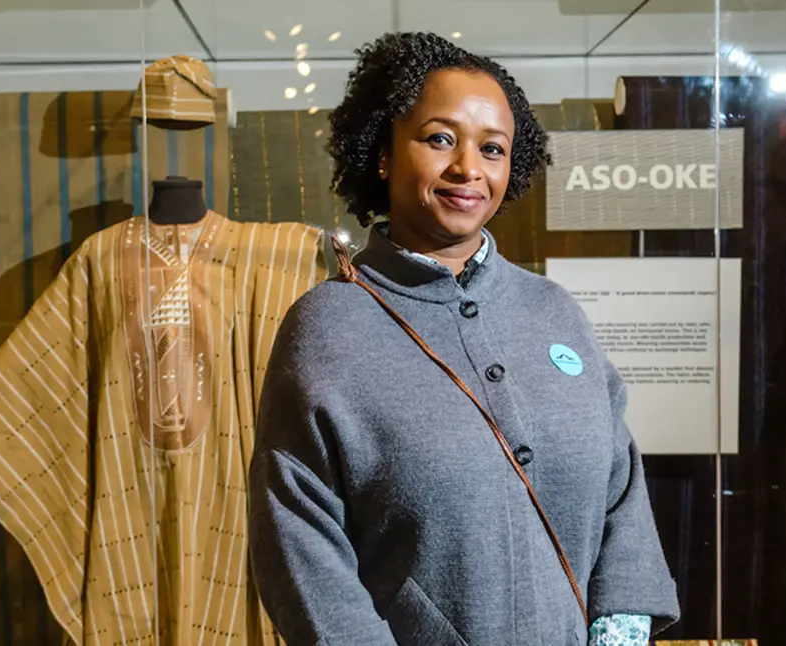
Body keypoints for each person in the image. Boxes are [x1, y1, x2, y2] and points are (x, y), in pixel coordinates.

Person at [247, 31, 680, 646]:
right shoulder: (327, 328)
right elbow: (297, 536)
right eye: (440, 138)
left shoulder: (554, 312)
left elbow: (622, 488)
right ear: (383, 152)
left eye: (493, 148)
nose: (468, 169)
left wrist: (622, 631)